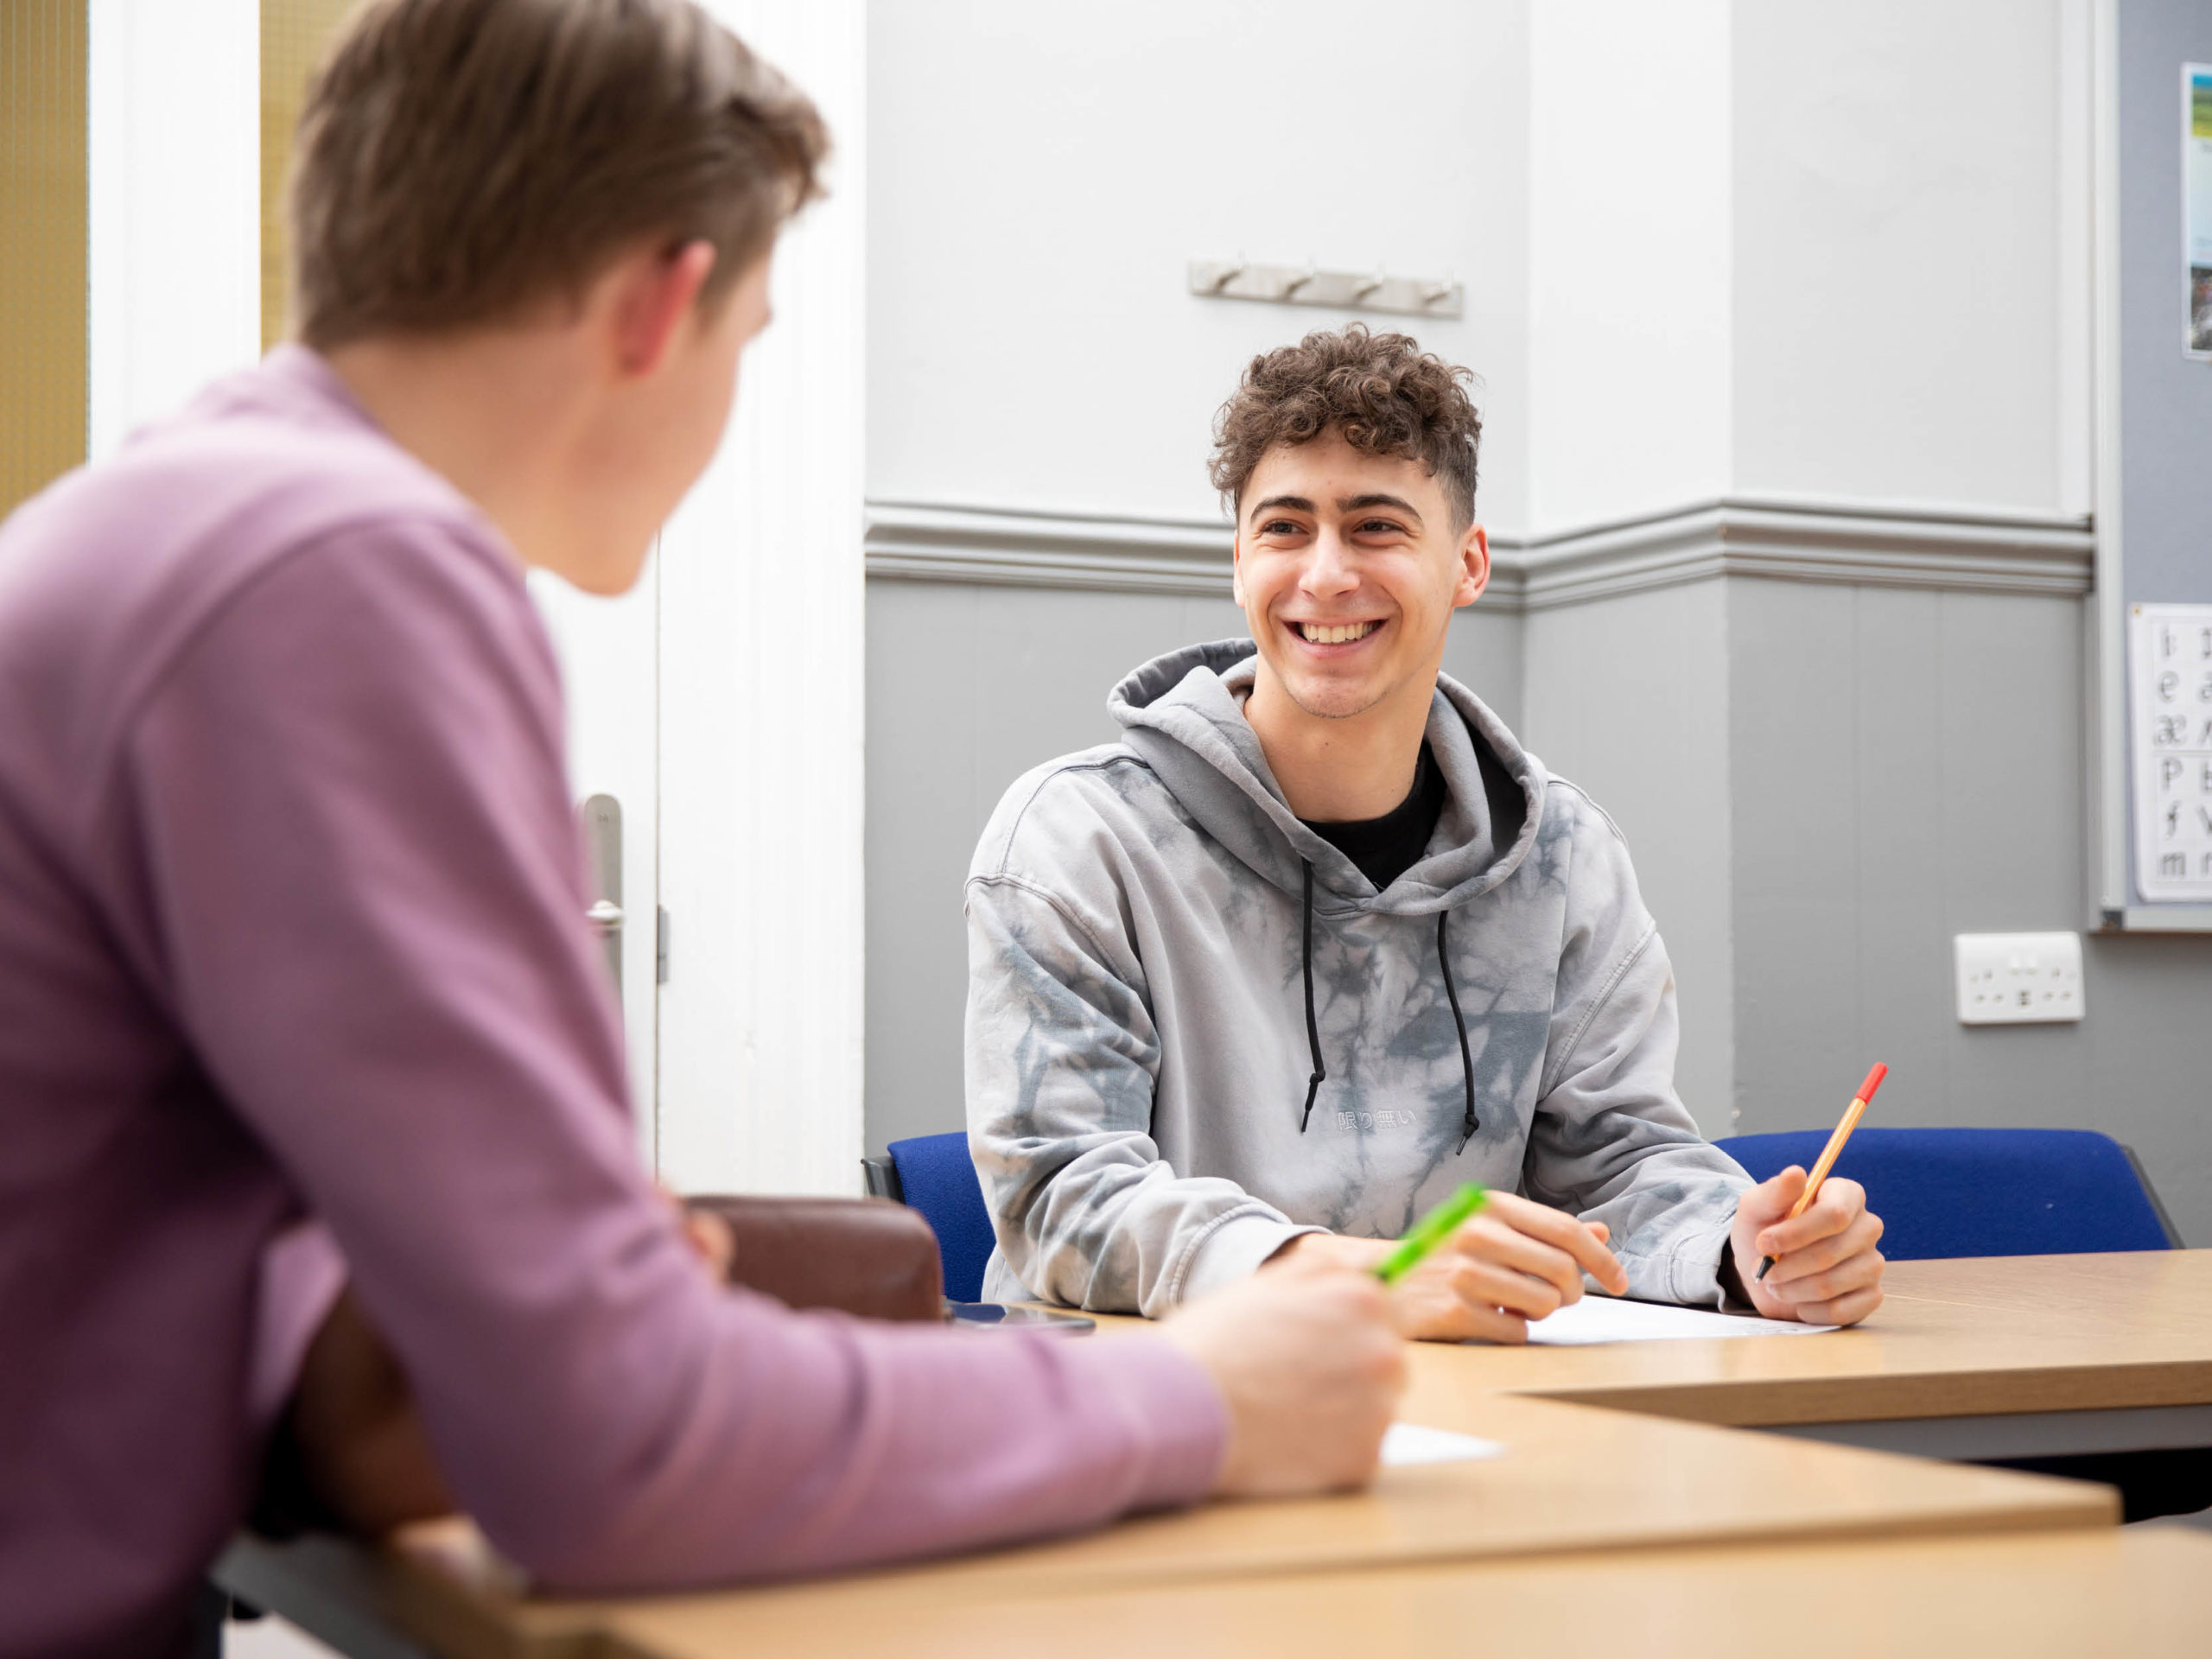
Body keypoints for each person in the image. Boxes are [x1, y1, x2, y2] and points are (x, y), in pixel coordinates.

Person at [0, 5, 1405, 1653]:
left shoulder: (183, 523)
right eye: (752, 328)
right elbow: (611, 1447)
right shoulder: (337, 576)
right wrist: (1196, 1396)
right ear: (666, 300)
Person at [964, 325, 1887, 1337]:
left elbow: (1617, 1163)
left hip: (1487, 1415)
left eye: (1375, 527)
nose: (1323, 575)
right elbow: (1062, 1200)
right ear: (1238, 562)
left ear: (1469, 564)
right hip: (1164, 1425)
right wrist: (1372, 1278)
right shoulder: (1078, 840)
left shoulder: (1563, 858)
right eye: (1283, 528)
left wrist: (1740, 1252)